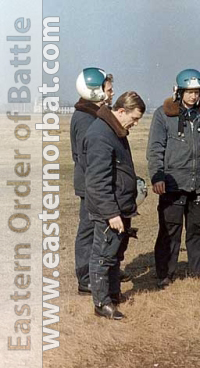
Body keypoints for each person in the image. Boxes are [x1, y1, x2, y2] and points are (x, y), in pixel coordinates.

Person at [147, 69, 200, 289]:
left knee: (199, 229)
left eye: (197, 92)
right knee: (169, 230)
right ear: (180, 91)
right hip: (172, 183)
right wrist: (157, 176)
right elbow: (155, 149)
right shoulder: (163, 114)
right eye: (189, 92)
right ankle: (165, 273)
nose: (193, 96)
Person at [83, 91, 146, 319]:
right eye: (135, 118)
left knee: (115, 253)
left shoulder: (116, 131)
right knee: (103, 255)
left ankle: (113, 293)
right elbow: (97, 181)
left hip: (121, 205)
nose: (136, 124)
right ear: (121, 111)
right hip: (109, 210)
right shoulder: (101, 135)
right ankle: (102, 304)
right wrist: (111, 213)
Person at [70, 67, 114, 295]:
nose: (112, 92)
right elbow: (87, 156)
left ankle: (100, 271)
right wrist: (99, 184)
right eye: (108, 89)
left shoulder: (94, 113)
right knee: (88, 230)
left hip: (92, 182)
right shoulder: (86, 117)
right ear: (96, 91)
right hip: (90, 184)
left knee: (97, 229)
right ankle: (85, 278)